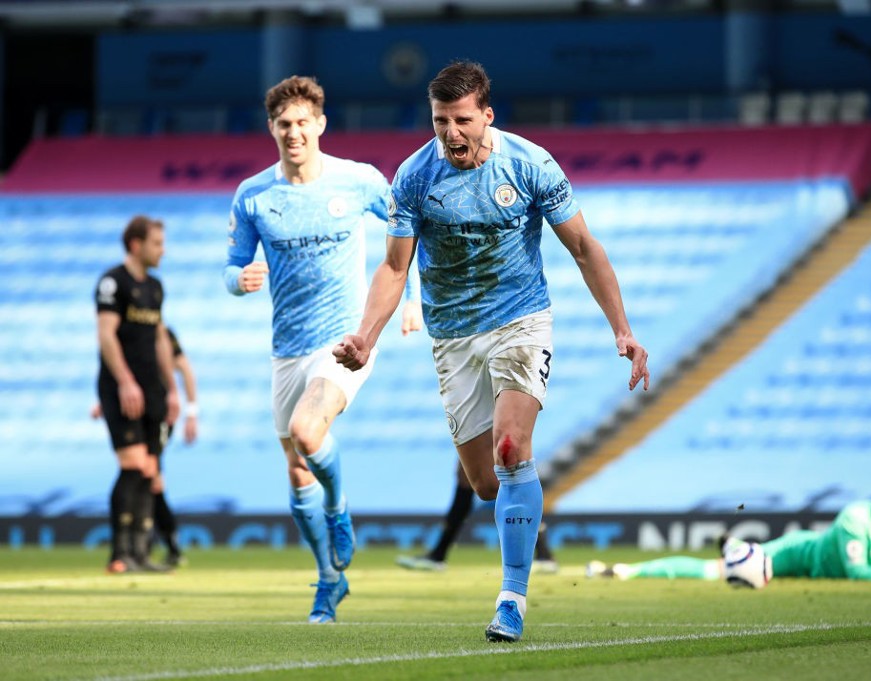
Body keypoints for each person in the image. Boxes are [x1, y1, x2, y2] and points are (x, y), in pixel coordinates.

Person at [334, 60, 650, 643]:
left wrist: (622, 329)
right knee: (484, 483)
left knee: (511, 448)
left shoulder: (529, 164)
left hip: (519, 321)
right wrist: (366, 336)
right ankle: (520, 513)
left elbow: (583, 247)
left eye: (461, 121)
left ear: (487, 116)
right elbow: (394, 267)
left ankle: (511, 600)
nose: (450, 134)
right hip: (452, 334)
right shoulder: (412, 177)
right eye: (439, 122)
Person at [224, 75, 420, 624]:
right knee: (296, 469)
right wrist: (238, 281)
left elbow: (412, 228)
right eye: (284, 124)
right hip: (287, 347)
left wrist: (413, 299)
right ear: (272, 128)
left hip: (345, 338)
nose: (293, 132)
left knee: (310, 434)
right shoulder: (254, 195)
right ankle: (330, 581)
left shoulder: (357, 182)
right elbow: (231, 265)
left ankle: (338, 510)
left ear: (320, 125)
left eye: (302, 123)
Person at [586, 479, 871, 584]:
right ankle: (625, 571)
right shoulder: (855, 520)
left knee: (731, 565)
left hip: (808, 565)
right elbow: (857, 573)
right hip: (794, 555)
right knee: (717, 574)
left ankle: (738, 546)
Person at [95, 215, 181, 574]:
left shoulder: (156, 288)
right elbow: (106, 335)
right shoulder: (113, 282)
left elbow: (160, 339)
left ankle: (141, 553)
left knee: (149, 468)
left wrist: (172, 389)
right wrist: (125, 381)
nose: (162, 250)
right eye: (157, 243)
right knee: (132, 465)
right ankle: (119, 553)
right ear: (136, 244)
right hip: (122, 387)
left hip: (153, 389)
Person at [91, 325, 198, 567]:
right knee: (149, 475)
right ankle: (139, 550)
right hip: (135, 407)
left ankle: (144, 549)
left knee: (151, 474)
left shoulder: (163, 335)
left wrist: (192, 411)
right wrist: (105, 402)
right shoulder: (125, 333)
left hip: (159, 412)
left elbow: (185, 369)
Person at [395, 460, 559, 573]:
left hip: (487, 419)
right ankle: (438, 553)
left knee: (497, 480)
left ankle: (543, 553)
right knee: (468, 476)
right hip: (477, 417)